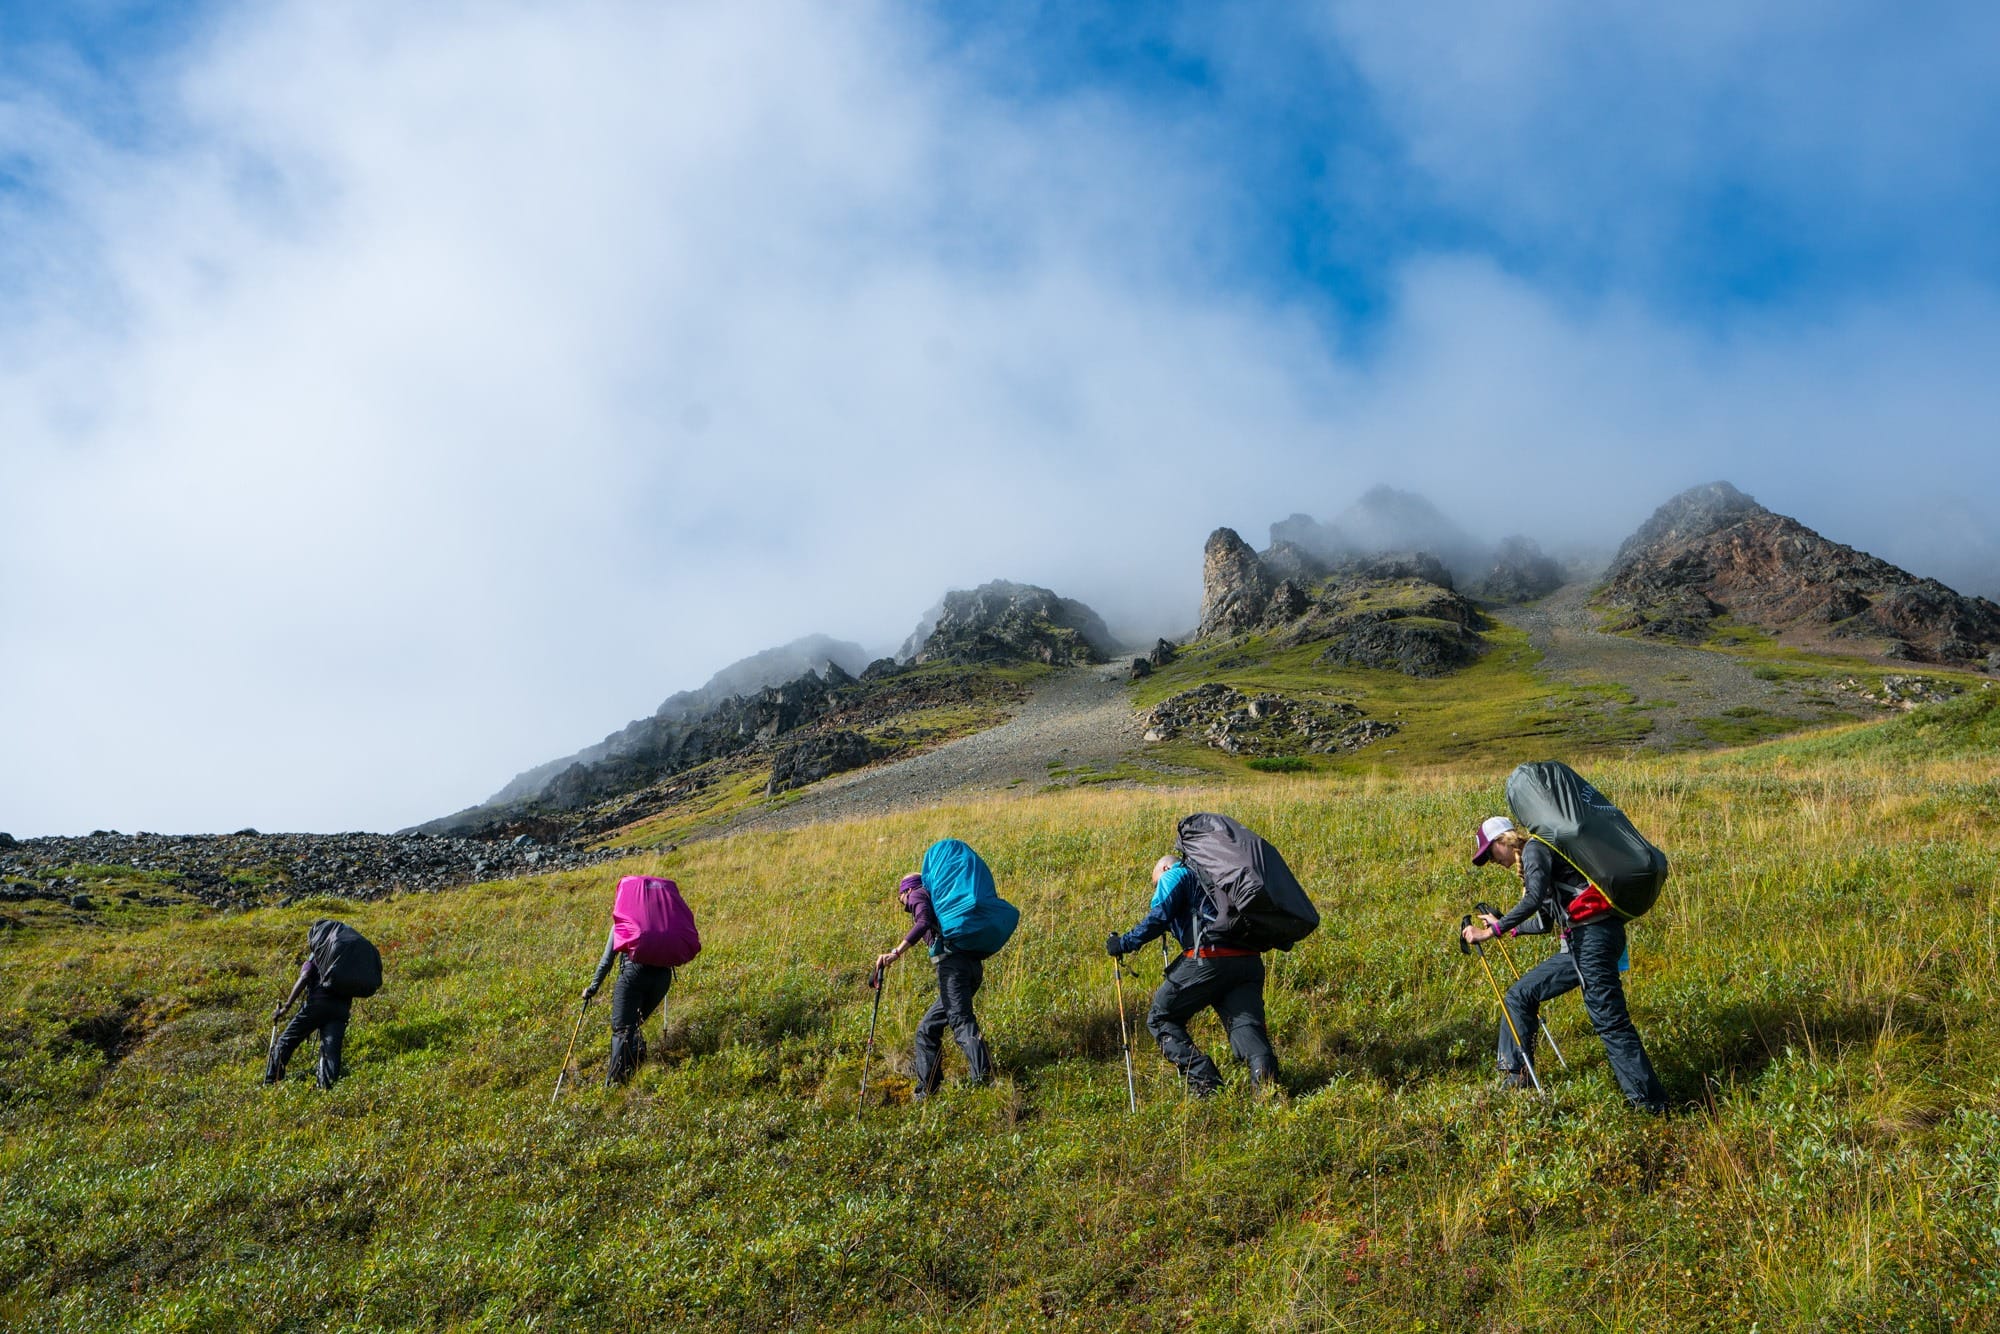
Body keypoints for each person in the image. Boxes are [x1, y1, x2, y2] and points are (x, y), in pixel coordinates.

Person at [1461, 816, 1668, 1113]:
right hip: (1582, 942)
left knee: (1610, 1021)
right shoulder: (1537, 857)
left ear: (1502, 841)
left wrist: (1492, 931)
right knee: (1520, 995)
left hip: (1592, 938)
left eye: (1490, 853)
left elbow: (1532, 900)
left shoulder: (1534, 849)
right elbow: (1545, 921)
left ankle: (1650, 1105)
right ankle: (1516, 1077)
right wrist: (1510, 928)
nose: (1492, 861)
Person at [1106, 853, 1278, 1096]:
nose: (1157, 889)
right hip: (1247, 960)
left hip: (1209, 958)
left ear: (1164, 867)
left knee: (1160, 1017)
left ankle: (1207, 1086)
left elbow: (1160, 914)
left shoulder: (1176, 874)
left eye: (1155, 884)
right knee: (1245, 1024)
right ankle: (1267, 1092)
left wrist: (1123, 943)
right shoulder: (1219, 876)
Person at [873, 872, 991, 1099]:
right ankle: (927, 1092)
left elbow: (923, 921)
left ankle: (984, 1080)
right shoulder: (936, 897)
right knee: (927, 1029)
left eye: (903, 903)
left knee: (960, 1020)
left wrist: (895, 952)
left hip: (953, 967)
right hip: (971, 966)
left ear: (906, 891)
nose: (906, 907)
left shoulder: (917, 894)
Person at [583, 922, 674, 1087]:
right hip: (663, 978)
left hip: (634, 974)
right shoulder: (663, 920)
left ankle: (613, 1085)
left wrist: (592, 988)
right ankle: (635, 1064)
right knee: (633, 1025)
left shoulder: (624, 920)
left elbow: (607, 961)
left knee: (623, 1029)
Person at [265, 921, 352, 1090]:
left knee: (285, 1042)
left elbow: (305, 977)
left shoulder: (316, 956)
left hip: (316, 1006)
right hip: (341, 1010)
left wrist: (286, 1007)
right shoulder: (344, 959)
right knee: (331, 1053)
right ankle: (326, 1090)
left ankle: (270, 1083)